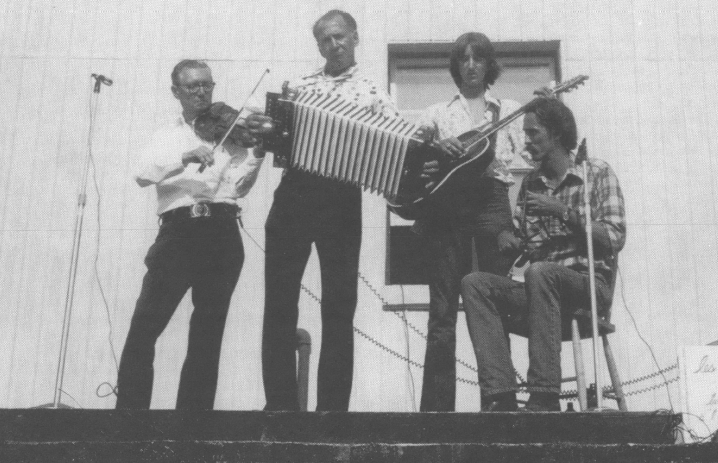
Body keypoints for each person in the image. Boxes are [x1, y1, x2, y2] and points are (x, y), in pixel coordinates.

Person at [246, 10, 399, 411]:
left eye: (340, 37)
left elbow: (398, 148)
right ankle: (280, 405)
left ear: (355, 37)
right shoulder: (296, 87)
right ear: (318, 45)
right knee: (279, 303)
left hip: (341, 199)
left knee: (339, 305)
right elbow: (274, 143)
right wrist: (266, 130)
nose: (334, 46)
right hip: (294, 194)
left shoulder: (374, 93)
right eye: (325, 40)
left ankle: (332, 409)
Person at [115, 60, 265, 409]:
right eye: (192, 87)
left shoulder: (229, 135)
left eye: (207, 86)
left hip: (222, 231)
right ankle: (129, 422)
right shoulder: (166, 134)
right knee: (145, 325)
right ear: (176, 92)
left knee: (207, 333)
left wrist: (257, 155)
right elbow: (142, 173)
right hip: (179, 233)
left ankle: (193, 424)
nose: (202, 93)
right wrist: (184, 156)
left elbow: (239, 187)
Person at [460, 97, 626, 411]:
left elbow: (614, 237)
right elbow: (524, 240)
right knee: (474, 284)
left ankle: (544, 395)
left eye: (534, 133)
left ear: (557, 134)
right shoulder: (532, 183)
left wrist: (564, 213)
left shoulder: (597, 173)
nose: (528, 141)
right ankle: (501, 396)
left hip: (588, 289)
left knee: (541, 272)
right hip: (542, 295)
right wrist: (508, 237)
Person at [414, 32, 526, 412]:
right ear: (456, 65)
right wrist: (433, 149)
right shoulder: (437, 113)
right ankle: (436, 410)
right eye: (464, 58)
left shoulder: (508, 109)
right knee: (443, 308)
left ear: (488, 64)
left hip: (493, 205)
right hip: (448, 208)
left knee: (493, 304)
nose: (472, 65)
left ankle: (499, 402)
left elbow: (528, 154)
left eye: (479, 58)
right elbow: (411, 155)